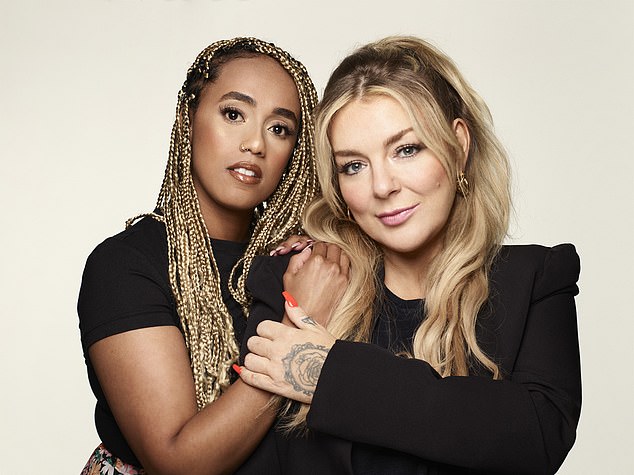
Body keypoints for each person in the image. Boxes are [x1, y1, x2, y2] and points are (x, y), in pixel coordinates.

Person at [238, 36, 582, 474]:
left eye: (406, 149)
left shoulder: (535, 280)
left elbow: (537, 437)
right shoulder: (301, 277)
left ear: (458, 146)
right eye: (353, 165)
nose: (382, 186)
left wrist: (332, 376)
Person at [77, 37, 347, 475]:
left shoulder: (299, 262)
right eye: (234, 114)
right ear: (189, 118)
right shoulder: (125, 266)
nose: (255, 144)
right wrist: (296, 330)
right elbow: (179, 463)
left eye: (279, 128)